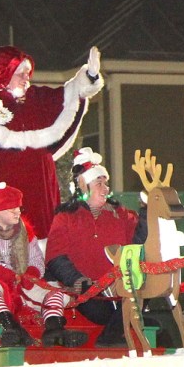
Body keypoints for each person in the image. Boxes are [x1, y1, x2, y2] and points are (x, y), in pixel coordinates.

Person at [0, 45, 104, 239]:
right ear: (5, 73)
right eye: (20, 74)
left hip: (41, 184)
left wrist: (88, 76)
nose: (26, 78)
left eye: (27, 74)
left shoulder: (38, 98)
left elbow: (69, 93)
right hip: (4, 183)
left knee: (43, 236)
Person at [0, 183, 86, 348]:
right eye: (12, 209)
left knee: (55, 291)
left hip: (22, 283)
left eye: (18, 208)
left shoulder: (24, 231)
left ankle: (54, 329)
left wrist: (32, 272)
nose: (18, 212)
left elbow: (36, 259)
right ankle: (11, 328)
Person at [46, 148, 140, 345]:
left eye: (106, 183)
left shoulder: (121, 215)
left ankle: (110, 337)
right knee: (104, 313)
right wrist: (80, 282)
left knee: (142, 292)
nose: (105, 188)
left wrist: (150, 212)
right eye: (99, 183)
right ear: (84, 185)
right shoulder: (65, 218)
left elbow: (140, 242)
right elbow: (55, 257)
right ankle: (114, 334)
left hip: (119, 290)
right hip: (86, 293)